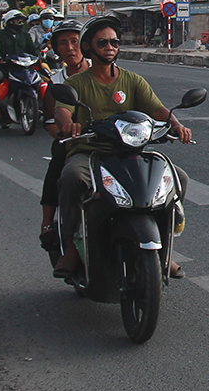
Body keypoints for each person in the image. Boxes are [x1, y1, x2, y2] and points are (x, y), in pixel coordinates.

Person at [51, 16, 192, 279]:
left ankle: (166, 249)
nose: (110, 46)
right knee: (71, 177)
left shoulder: (132, 80)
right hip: (90, 152)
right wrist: (69, 124)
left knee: (178, 178)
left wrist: (176, 125)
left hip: (130, 152)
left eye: (114, 42)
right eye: (102, 42)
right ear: (88, 47)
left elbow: (157, 109)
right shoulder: (76, 83)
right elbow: (62, 111)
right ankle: (69, 247)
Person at [38, 19, 90, 262]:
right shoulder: (57, 82)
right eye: (63, 43)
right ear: (56, 49)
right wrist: (66, 133)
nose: (70, 48)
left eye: (75, 41)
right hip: (73, 143)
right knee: (60, 167)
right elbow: (51, 121)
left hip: (113, 141)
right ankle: (52, 226)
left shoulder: (110, 72)